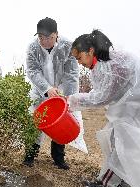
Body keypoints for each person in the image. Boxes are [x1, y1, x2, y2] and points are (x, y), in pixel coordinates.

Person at [68, 29, 140, 187]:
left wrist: (71, 100)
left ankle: (107, 185)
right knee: (124, 141)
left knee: (124, 143)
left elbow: (101, 97)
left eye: (79, 58)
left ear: (90, 51)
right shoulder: (101, 63)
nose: (79, 63)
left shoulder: (111, 63)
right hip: (138, 104)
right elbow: (102, 92)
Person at [24, 17, 87, 170]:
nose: (44, 41)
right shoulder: (33, 48)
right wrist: (46, 88)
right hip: (40, 91)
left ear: (56, 34)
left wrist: (69, 98)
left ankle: (58, 158)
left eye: (48, 37)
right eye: (41, 37)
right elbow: (32, 71)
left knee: (62, 121)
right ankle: (29, 156)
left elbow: (71, 74)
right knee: (36, 120)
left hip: (61, 90)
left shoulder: (68, 46)